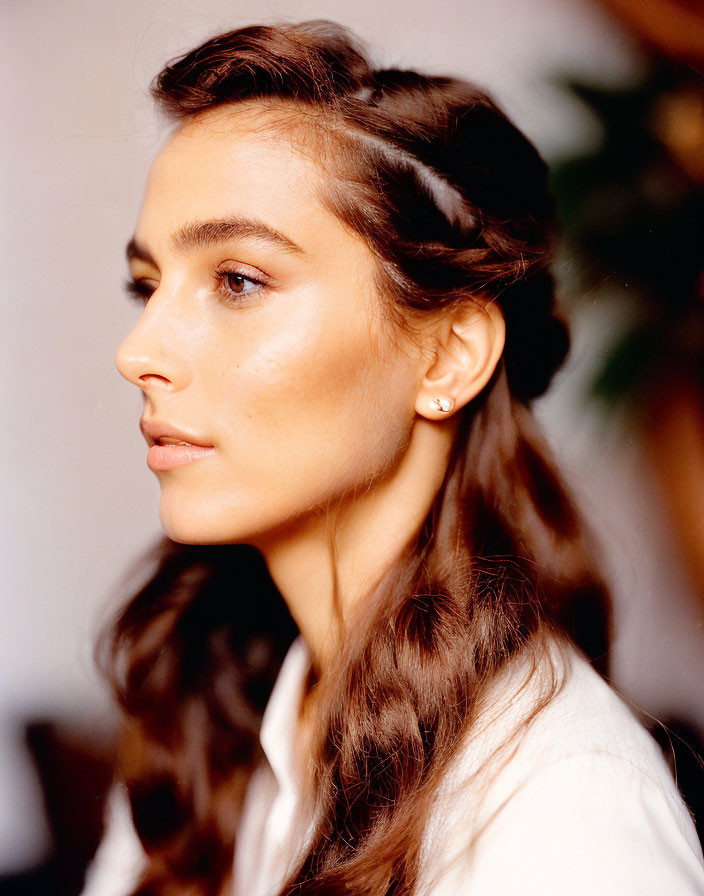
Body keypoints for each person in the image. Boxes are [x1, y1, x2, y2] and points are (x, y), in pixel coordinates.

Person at [83, 19, 704, 896]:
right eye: (149, 286)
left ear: (448, 355)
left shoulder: (562, 812)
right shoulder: (208, 724)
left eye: (238, 280)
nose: (139, 350)